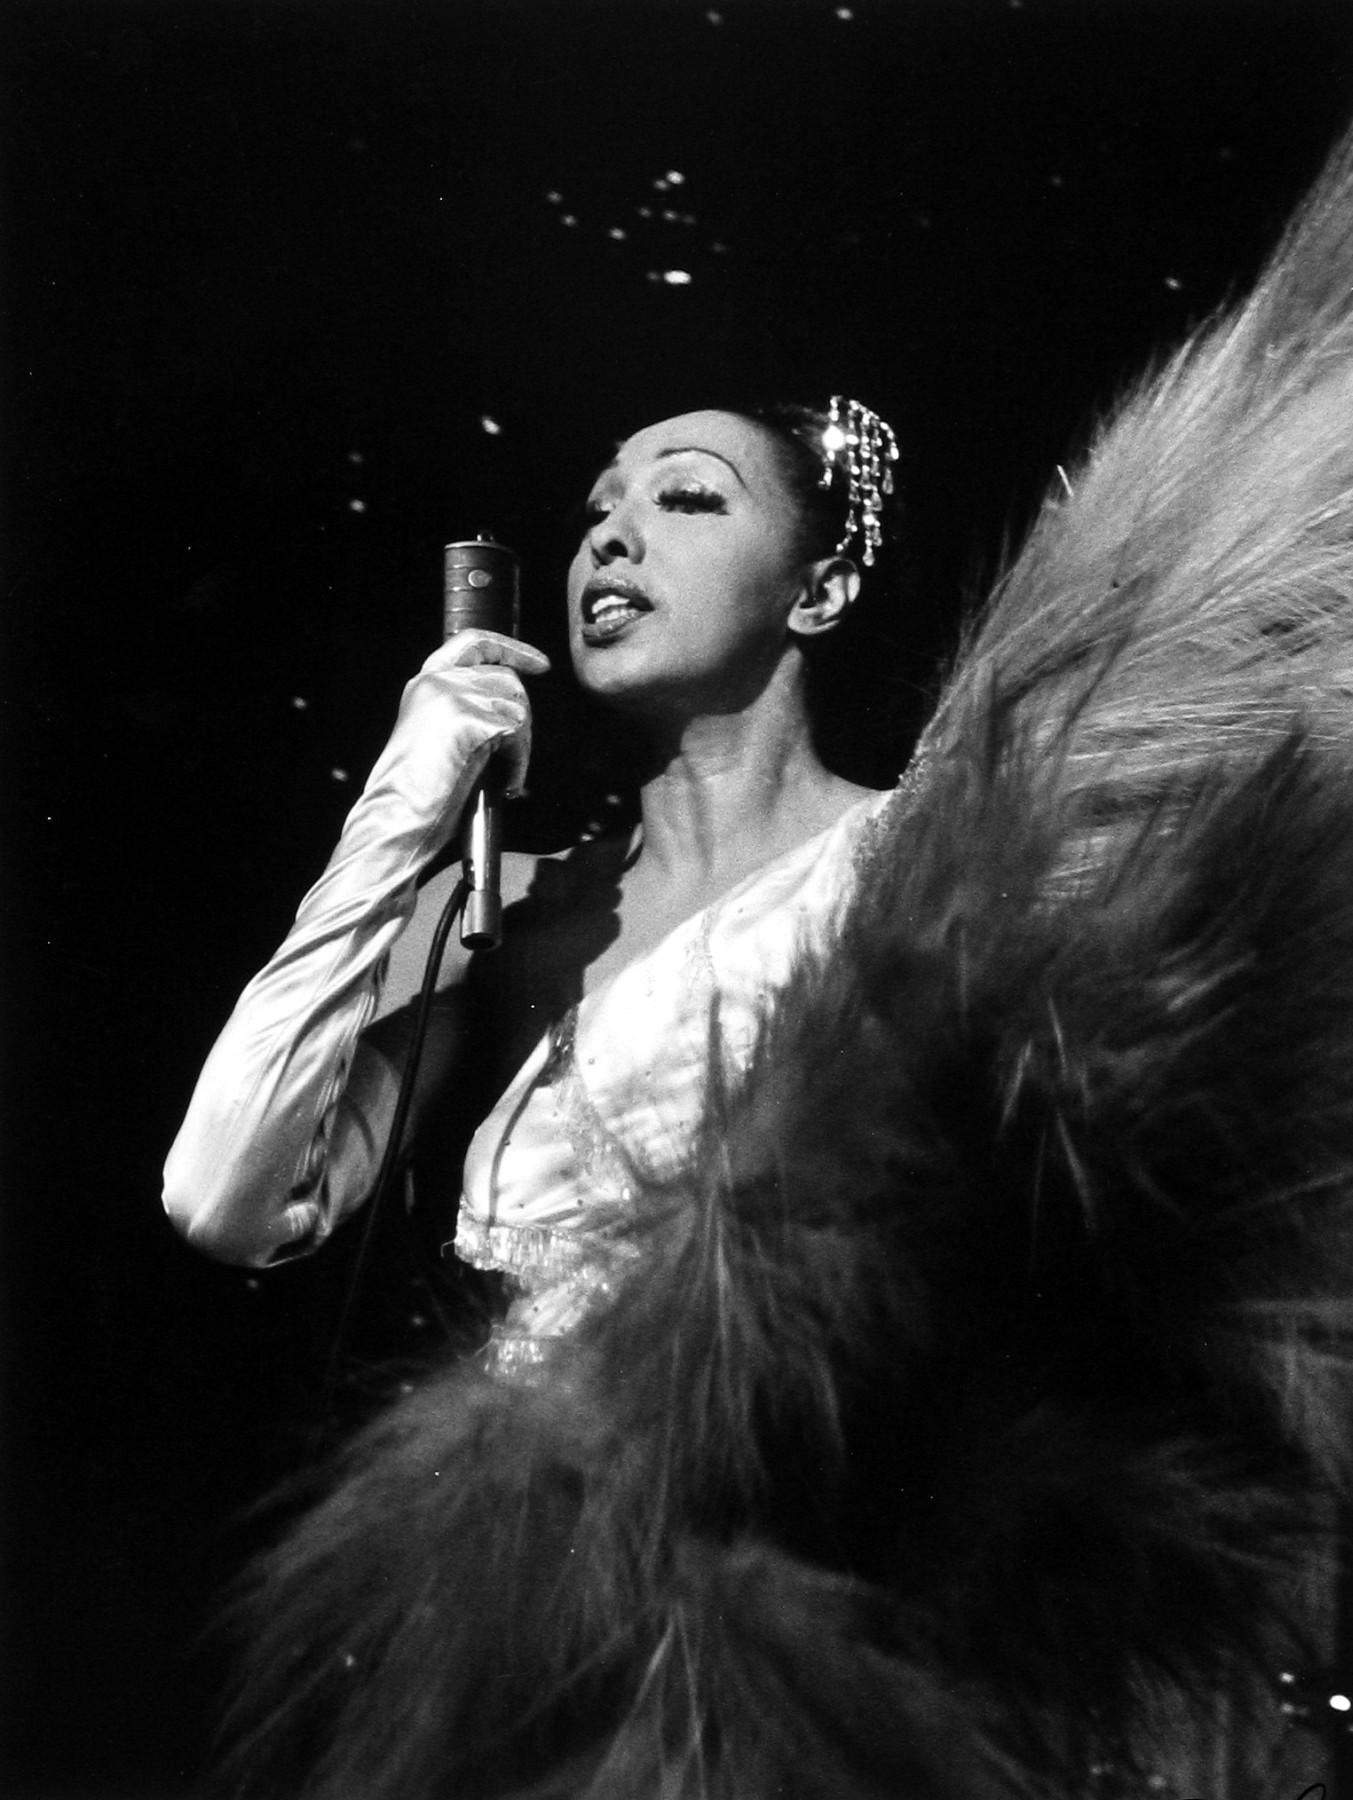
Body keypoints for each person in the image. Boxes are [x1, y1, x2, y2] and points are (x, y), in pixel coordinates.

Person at [163, 397, 905, 1371]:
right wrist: (399, 812)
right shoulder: (496, 910)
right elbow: (226, 1203)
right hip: (532, 1504)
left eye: (686, 497)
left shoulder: (919, 849)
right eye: (594, 514)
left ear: (821, 591)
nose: (610, 538)